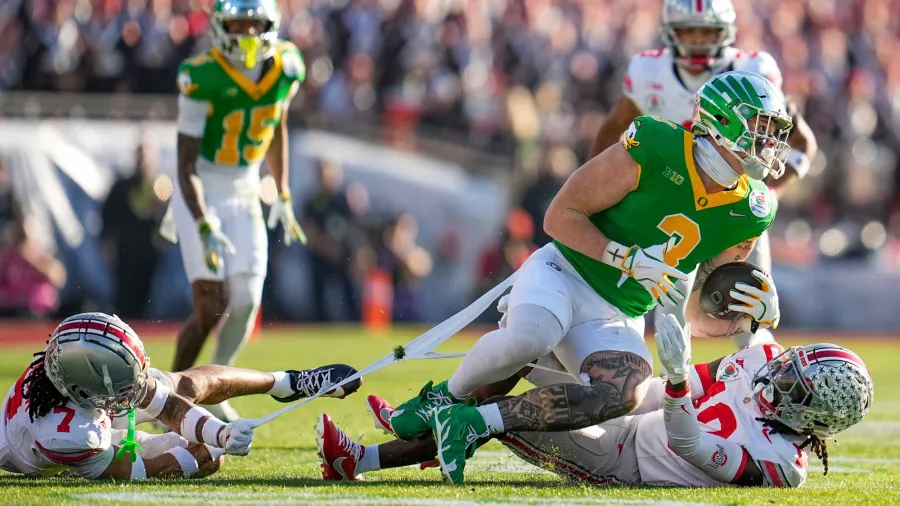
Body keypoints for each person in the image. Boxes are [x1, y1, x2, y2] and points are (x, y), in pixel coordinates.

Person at [374, 70, 792, 484]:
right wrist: (625, 258)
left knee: (628, 390)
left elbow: (702, 305)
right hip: (565, 271)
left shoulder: (753, 209)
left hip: (618, 312)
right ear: (722, 119)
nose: (771, 142)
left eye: (775, 131)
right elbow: (559, 217)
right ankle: (443, 399)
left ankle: (466, 423)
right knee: (531, 337)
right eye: (762, 126)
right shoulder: (657, 143)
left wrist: (747, 313)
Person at [320, 324, 873, 488]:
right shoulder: (767, 365)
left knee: (511, 412)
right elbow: (753, 331)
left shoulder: (780, 466)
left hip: (623, 461)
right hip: (635, 415)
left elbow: (688, 442)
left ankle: (360, 460)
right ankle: (421, 413)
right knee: (523, 345)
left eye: (795, 386)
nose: (779, 374)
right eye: (790, 364)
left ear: (816, 418)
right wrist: (753, 304)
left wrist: (676, 380)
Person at [588, 0, 818, 349]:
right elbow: (613, 128)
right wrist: (596, 186)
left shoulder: (753, 69)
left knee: (748, 310)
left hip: (734, 207)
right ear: (670, 33)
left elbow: (800, 143)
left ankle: (761, 385)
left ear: (725, 33)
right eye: (689, 32)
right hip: (671, 205)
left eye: (706, 32)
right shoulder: (650, 73)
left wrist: (772, 193)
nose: (697, 41)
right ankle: (676, 392)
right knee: (667, 315)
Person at [0, 312, 360, 480]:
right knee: (208, 460)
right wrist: (210, 448)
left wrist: (220, 432)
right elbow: (139, 470)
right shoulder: (69, 435)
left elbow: (170, 407)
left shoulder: (62, 370)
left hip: (85, 412)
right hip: (75, 444)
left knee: (180, 385)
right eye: (123, 382)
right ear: (85, 389)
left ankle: (286, 382)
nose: (135, 387)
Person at [170, 0, 307, 421]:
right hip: (203, 186)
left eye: (254, 24)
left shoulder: (287, 65)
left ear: (271, 26)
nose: (246, 34)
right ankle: (172, 394)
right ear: (219, 26)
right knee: (210, 304)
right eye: (237, 24)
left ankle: (215, 385)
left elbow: (276, 124)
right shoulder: (201, 75)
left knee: (246, 300)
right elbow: (186, 165)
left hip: (246, 184)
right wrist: (203, 221)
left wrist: (282, 190)